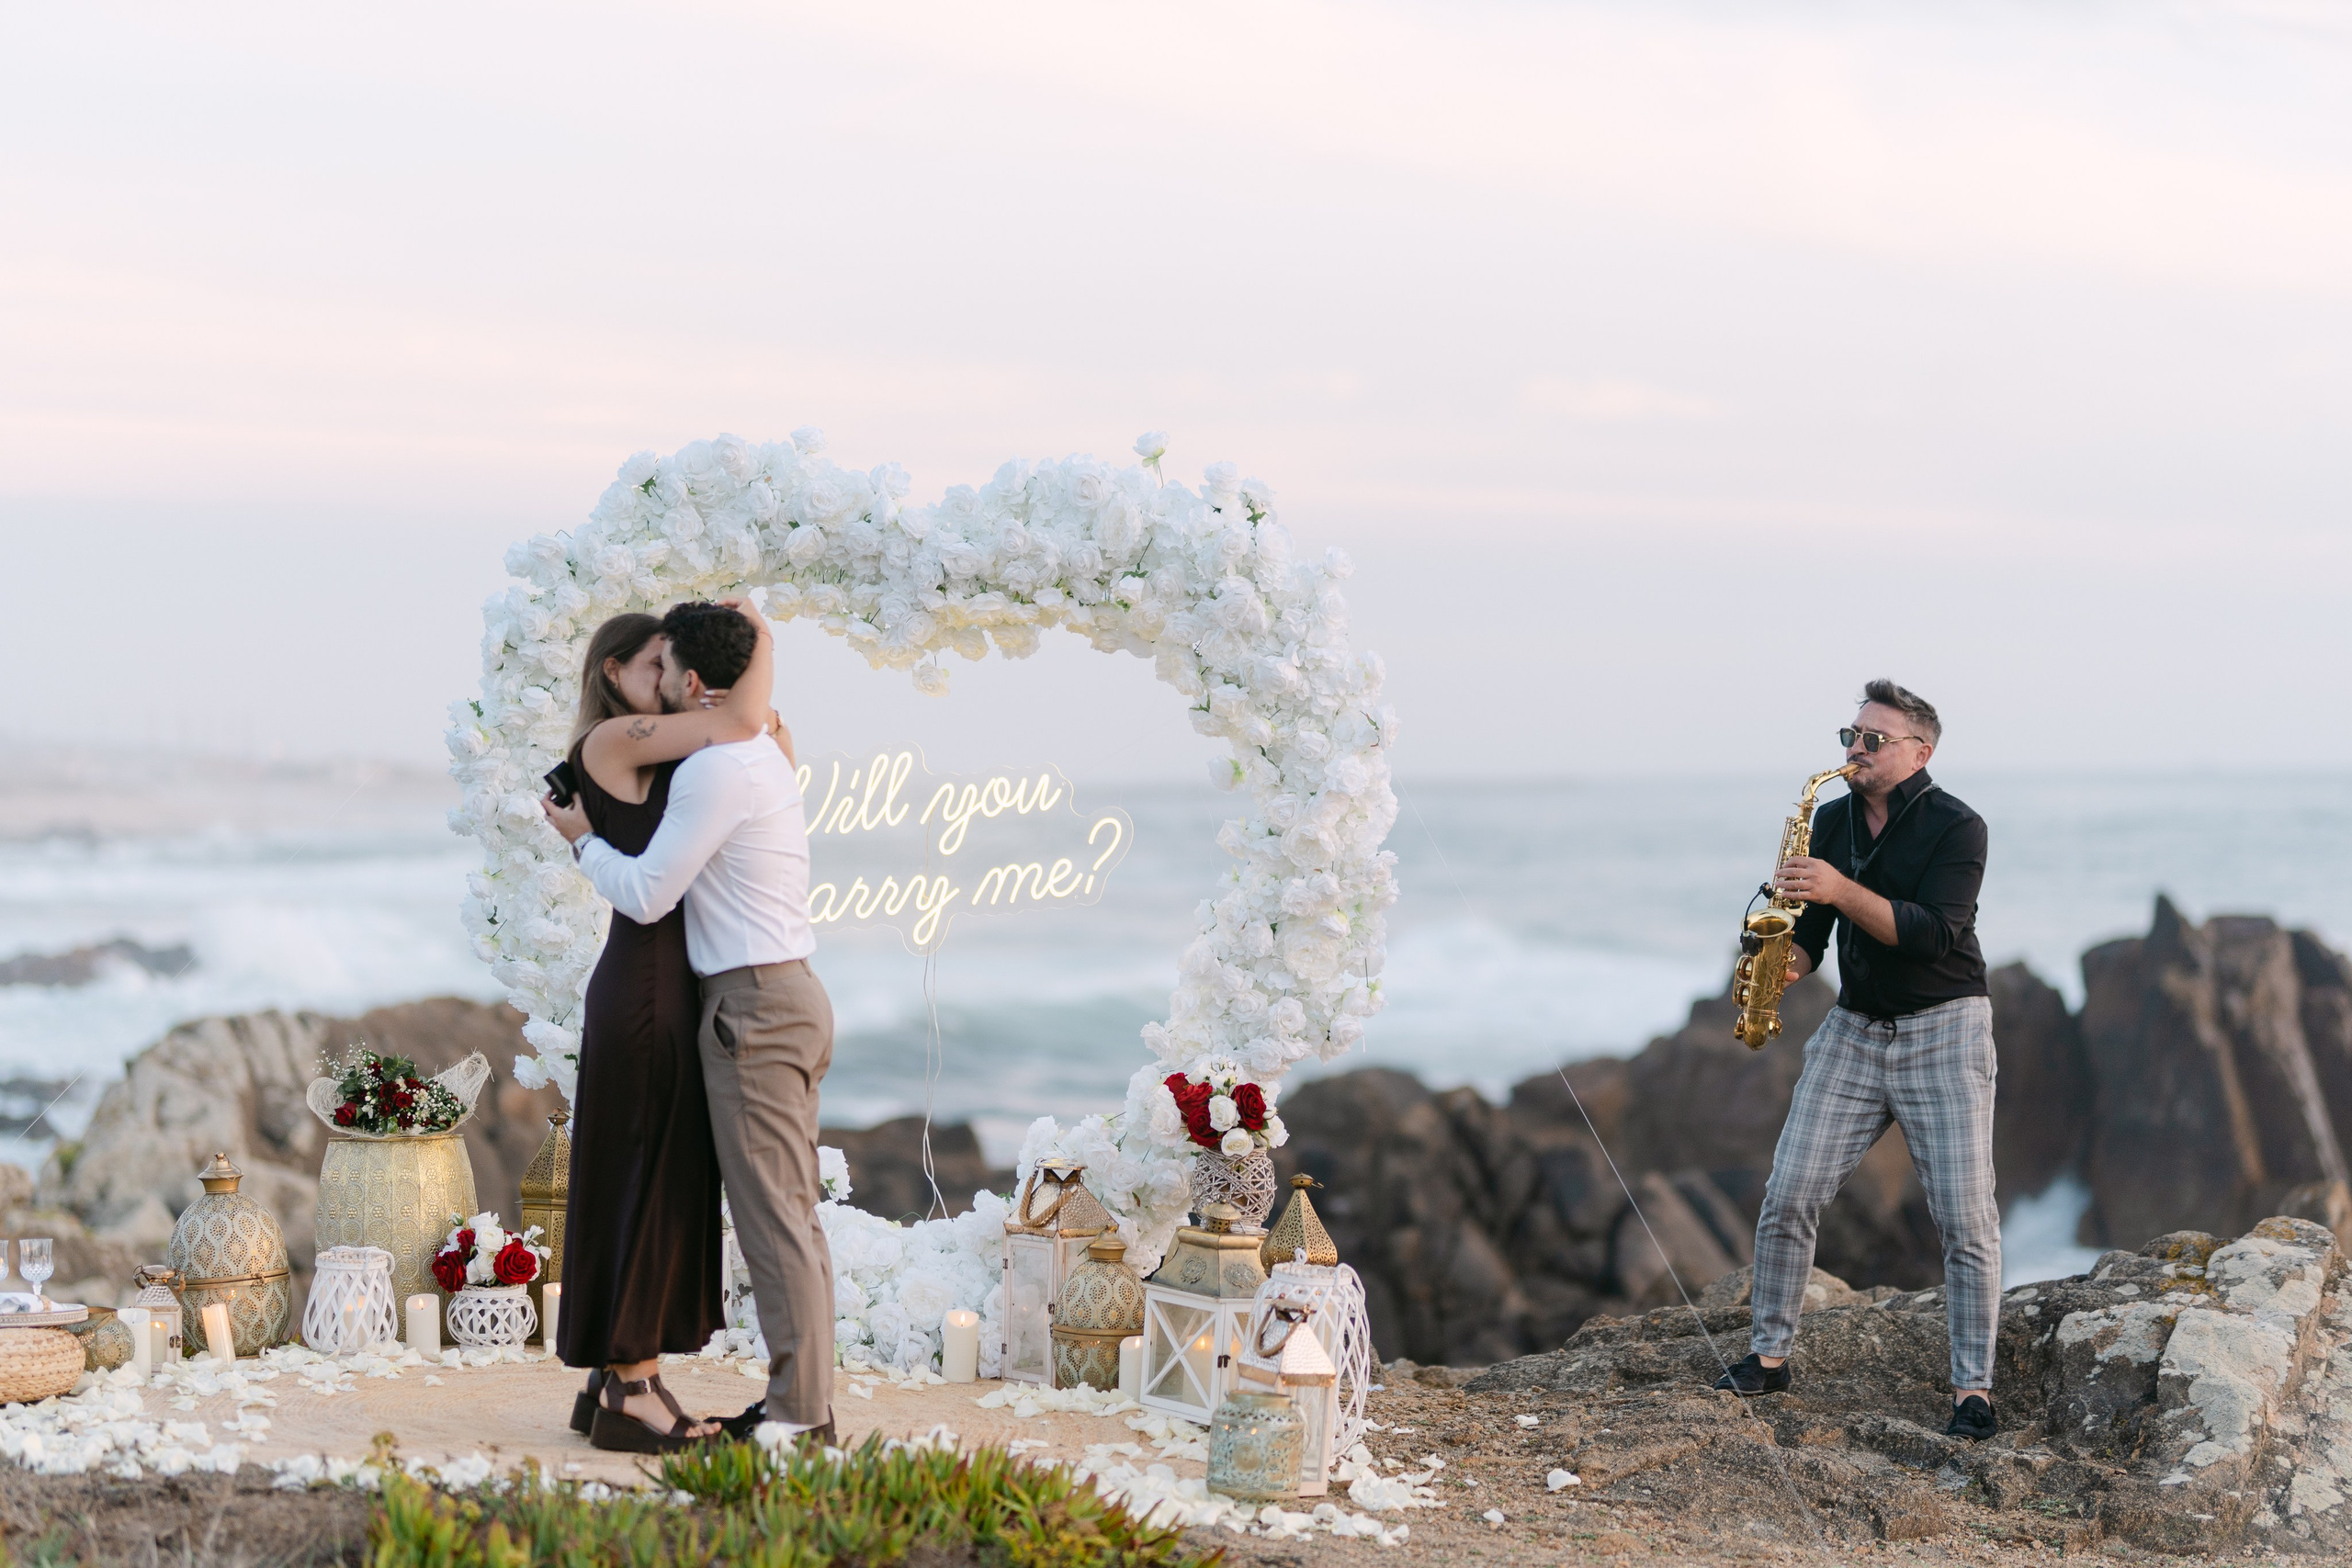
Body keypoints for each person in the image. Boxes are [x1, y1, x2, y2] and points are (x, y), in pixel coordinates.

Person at [544, 599, 836, 1448]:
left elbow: (745, 723)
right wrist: (758, 652)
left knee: (747, 1210)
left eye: (670, 667)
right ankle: (628, 1384)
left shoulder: (720, 756)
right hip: (680, 993)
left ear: (692, 679)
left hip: (732, 1000)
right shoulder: (653, 744)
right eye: (649, 665)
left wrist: (760, 647)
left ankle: (795, 1415)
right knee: (664, 1188)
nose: (660, 685)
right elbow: (745, 722)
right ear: (616, 673)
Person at [1712, 679, 2001, 1442]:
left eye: (1873, 739)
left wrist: (1841, 887)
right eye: (1850, 735)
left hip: (1945, 1027)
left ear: (1919, 751)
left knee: (1966, 1217)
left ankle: (1972, 1387)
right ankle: (1769, 1357)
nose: (1854, 751)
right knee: (1790, 1191)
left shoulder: (1957, 827)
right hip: (1857, 1028)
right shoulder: (1831, 819)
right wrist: (1776, 961)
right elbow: (1810, 937)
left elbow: (1933, 932)